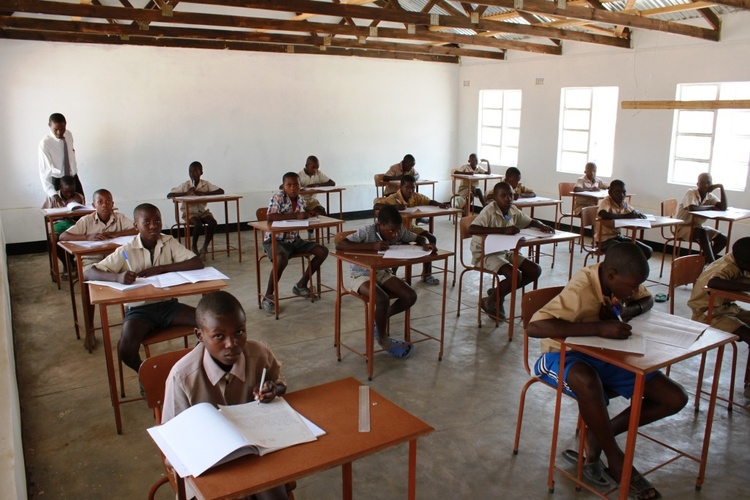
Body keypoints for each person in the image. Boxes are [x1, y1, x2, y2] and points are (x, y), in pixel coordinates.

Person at [528, 243, 688, 500]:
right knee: (587, 380)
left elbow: (645, 299)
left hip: (601, 352)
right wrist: (599, 328)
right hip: (561, 354)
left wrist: (629, 309)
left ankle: (598, 434)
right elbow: (534, 327)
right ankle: (616, 459)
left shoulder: (622, 280)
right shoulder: (582, 288)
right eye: (632, 286)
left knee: (674, 398)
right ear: (612, 275)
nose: (634, 291)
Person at [161, 291, 290, 500]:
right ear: (200, 335)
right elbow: (173, 447)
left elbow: (281, 385)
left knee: (274, 494)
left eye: (239, 332)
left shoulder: (259, 354)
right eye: (219, 336)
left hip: (258, 453)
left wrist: (274, 390)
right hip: (209, 465)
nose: (232, 343)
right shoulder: (182, 377)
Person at [84, 203, 203, 372]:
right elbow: (90, 273)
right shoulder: (126, 249)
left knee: (209, 323)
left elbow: (196, 262)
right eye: (146, 222)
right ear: (136, 226)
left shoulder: (168, 242)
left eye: (157, 221)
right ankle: (148, 376)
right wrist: (117, 277)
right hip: (139, 310)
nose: (153, 226)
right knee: (126, 350)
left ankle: (189, 369)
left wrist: (160, 268)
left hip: (168, 306)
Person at [336, 205, 435, 359]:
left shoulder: (398, 231)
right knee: (382, 299)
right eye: (390, 230)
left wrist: (425, 244)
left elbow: (420, 237)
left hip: (382, 273)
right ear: (379, 224)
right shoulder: (366, 231)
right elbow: (340, 244)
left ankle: (381, 318)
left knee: (410, 296)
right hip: (360, 275)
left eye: (397, 230)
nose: (394, 234)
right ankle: (383, 339)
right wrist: (371, 246)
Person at [60, 188, 138, 343]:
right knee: (88, 286)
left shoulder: (119, 218)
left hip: (116, 260)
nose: (104, 205)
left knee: (136, 277)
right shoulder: (86, 221)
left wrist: (118, 234)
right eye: (100, 201)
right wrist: (87, 237)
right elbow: (63, 236)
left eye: (108, 201)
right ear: (93, 204)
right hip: (92, 261)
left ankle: (134, 325)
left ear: (113, 203)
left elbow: (136, 228)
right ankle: (90, 331)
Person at [469, 182, 554, 319]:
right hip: (486, 252)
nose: (508, 199)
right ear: (495, 198)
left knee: (535, 270)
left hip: (503, 250)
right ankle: (490, 301)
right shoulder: (489, 210)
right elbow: (472, 229)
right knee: (515, 275)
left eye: (511, 195)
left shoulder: (512, 210)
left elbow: (529, 221)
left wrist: (542, 225)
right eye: (503, 196)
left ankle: (498, 293)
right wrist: (504, 230)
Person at [688, 237, 750, 396]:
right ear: (743, 264)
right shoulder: (727, 266)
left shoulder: (740, 259)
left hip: (727, 309)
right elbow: (714, 283)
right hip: (708, 314)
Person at [262, 172, 329, 313]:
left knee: (322, 251)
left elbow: (301, 215)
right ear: (283, 186)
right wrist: (296, 215)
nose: (293, 188)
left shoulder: (300, 199)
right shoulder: (277, 197)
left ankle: (301, 285)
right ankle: (268, 296)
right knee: (281, 259)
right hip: (276, 240)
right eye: (289, 185)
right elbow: (270, 217)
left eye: (296, 184)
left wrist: (309, 215)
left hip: (294, 240)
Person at [374, 175, 448, 285]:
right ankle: (392, 276)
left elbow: (428, 201)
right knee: (401, 245)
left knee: (431, 238)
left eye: (413, 188)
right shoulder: (394, 197)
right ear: (400, 187)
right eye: (407, 188)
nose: (410, 190)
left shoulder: (415, 197)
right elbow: (376, 205)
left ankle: (427, 274)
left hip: (411, 228)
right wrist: (395, 207)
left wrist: (439, 204)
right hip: (398, 230)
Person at [168, 161, 225, 260]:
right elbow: (169, 195)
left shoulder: (205, 184)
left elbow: (221, 191)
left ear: (201, 173)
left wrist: (205, 194)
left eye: (195, 171)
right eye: (190, 171)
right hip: (189, 212)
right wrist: (186, 193)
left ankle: (204, 247)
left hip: (202, 212)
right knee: (197, 224)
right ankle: (194, 247)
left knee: (212, 222)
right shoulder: (186, 185)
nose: (192, 174)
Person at [675, 172, 728, 264]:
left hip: (698, 227)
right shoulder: (691, 192)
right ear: (697, 184)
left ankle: (703, 261)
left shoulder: (710, 196)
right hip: (682, 227)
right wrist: (711, 207)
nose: (705, 185)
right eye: (702, 182)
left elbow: (723, 207)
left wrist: (721, 187)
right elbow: (692, 207)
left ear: (712, 185)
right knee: (703, 233)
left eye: (708, 182)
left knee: (723, 238)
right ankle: (711, 263)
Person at [42, 175, 86, 279]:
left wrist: (75, 207)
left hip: (73, 224)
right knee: (55, 239)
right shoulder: (52, 197)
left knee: (82, 235)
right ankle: (68, 265)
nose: (69, 194)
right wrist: (58, 215)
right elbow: (45, 214)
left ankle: (78, 264)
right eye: (66, 192)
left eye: (72, 191)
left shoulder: (78, 196)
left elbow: (82, 216)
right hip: (58, 224)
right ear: (60, 187)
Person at [597, 180, 653, 259]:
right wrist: (625, 215)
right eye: (617, 192)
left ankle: (635, 270)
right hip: (603, 240)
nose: (622, 195)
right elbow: (604, 214)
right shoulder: (606, 202)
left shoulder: (623, 203)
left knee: (647, 250)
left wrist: (636, 213)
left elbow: (632, 210)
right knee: (625, 252)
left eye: (624, 192)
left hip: (618, 237)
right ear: (610, 193)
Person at [39, 113, 85, 200]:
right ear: (49, 126)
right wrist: (53, 194)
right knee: (61, 211)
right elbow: (44, 172)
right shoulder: (45, 144)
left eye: (62, 129)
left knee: (81, 209)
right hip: (58, 181)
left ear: (65, 124)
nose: (59, 132)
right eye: (55, 129)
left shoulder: (68, 135)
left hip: (73, 179)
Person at [298, 155, 336, 240]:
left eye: (317, 167)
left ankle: (313, 232)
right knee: (307, 214)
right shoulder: (299, 176)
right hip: (300, 202)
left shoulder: (318, 173)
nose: (315, 170)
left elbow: (332, 183)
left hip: (311, 201)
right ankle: (308, 232)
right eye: (313, 167)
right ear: (306, 165)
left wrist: (318, 184)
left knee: (321, 212)